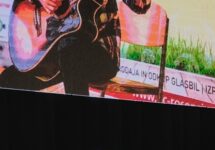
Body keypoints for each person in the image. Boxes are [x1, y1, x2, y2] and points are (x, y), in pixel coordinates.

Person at [0, 0, 151, 96]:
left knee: (70, 52)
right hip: (54, 52)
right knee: (8, 80)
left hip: (100, 55)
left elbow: (141, 5)